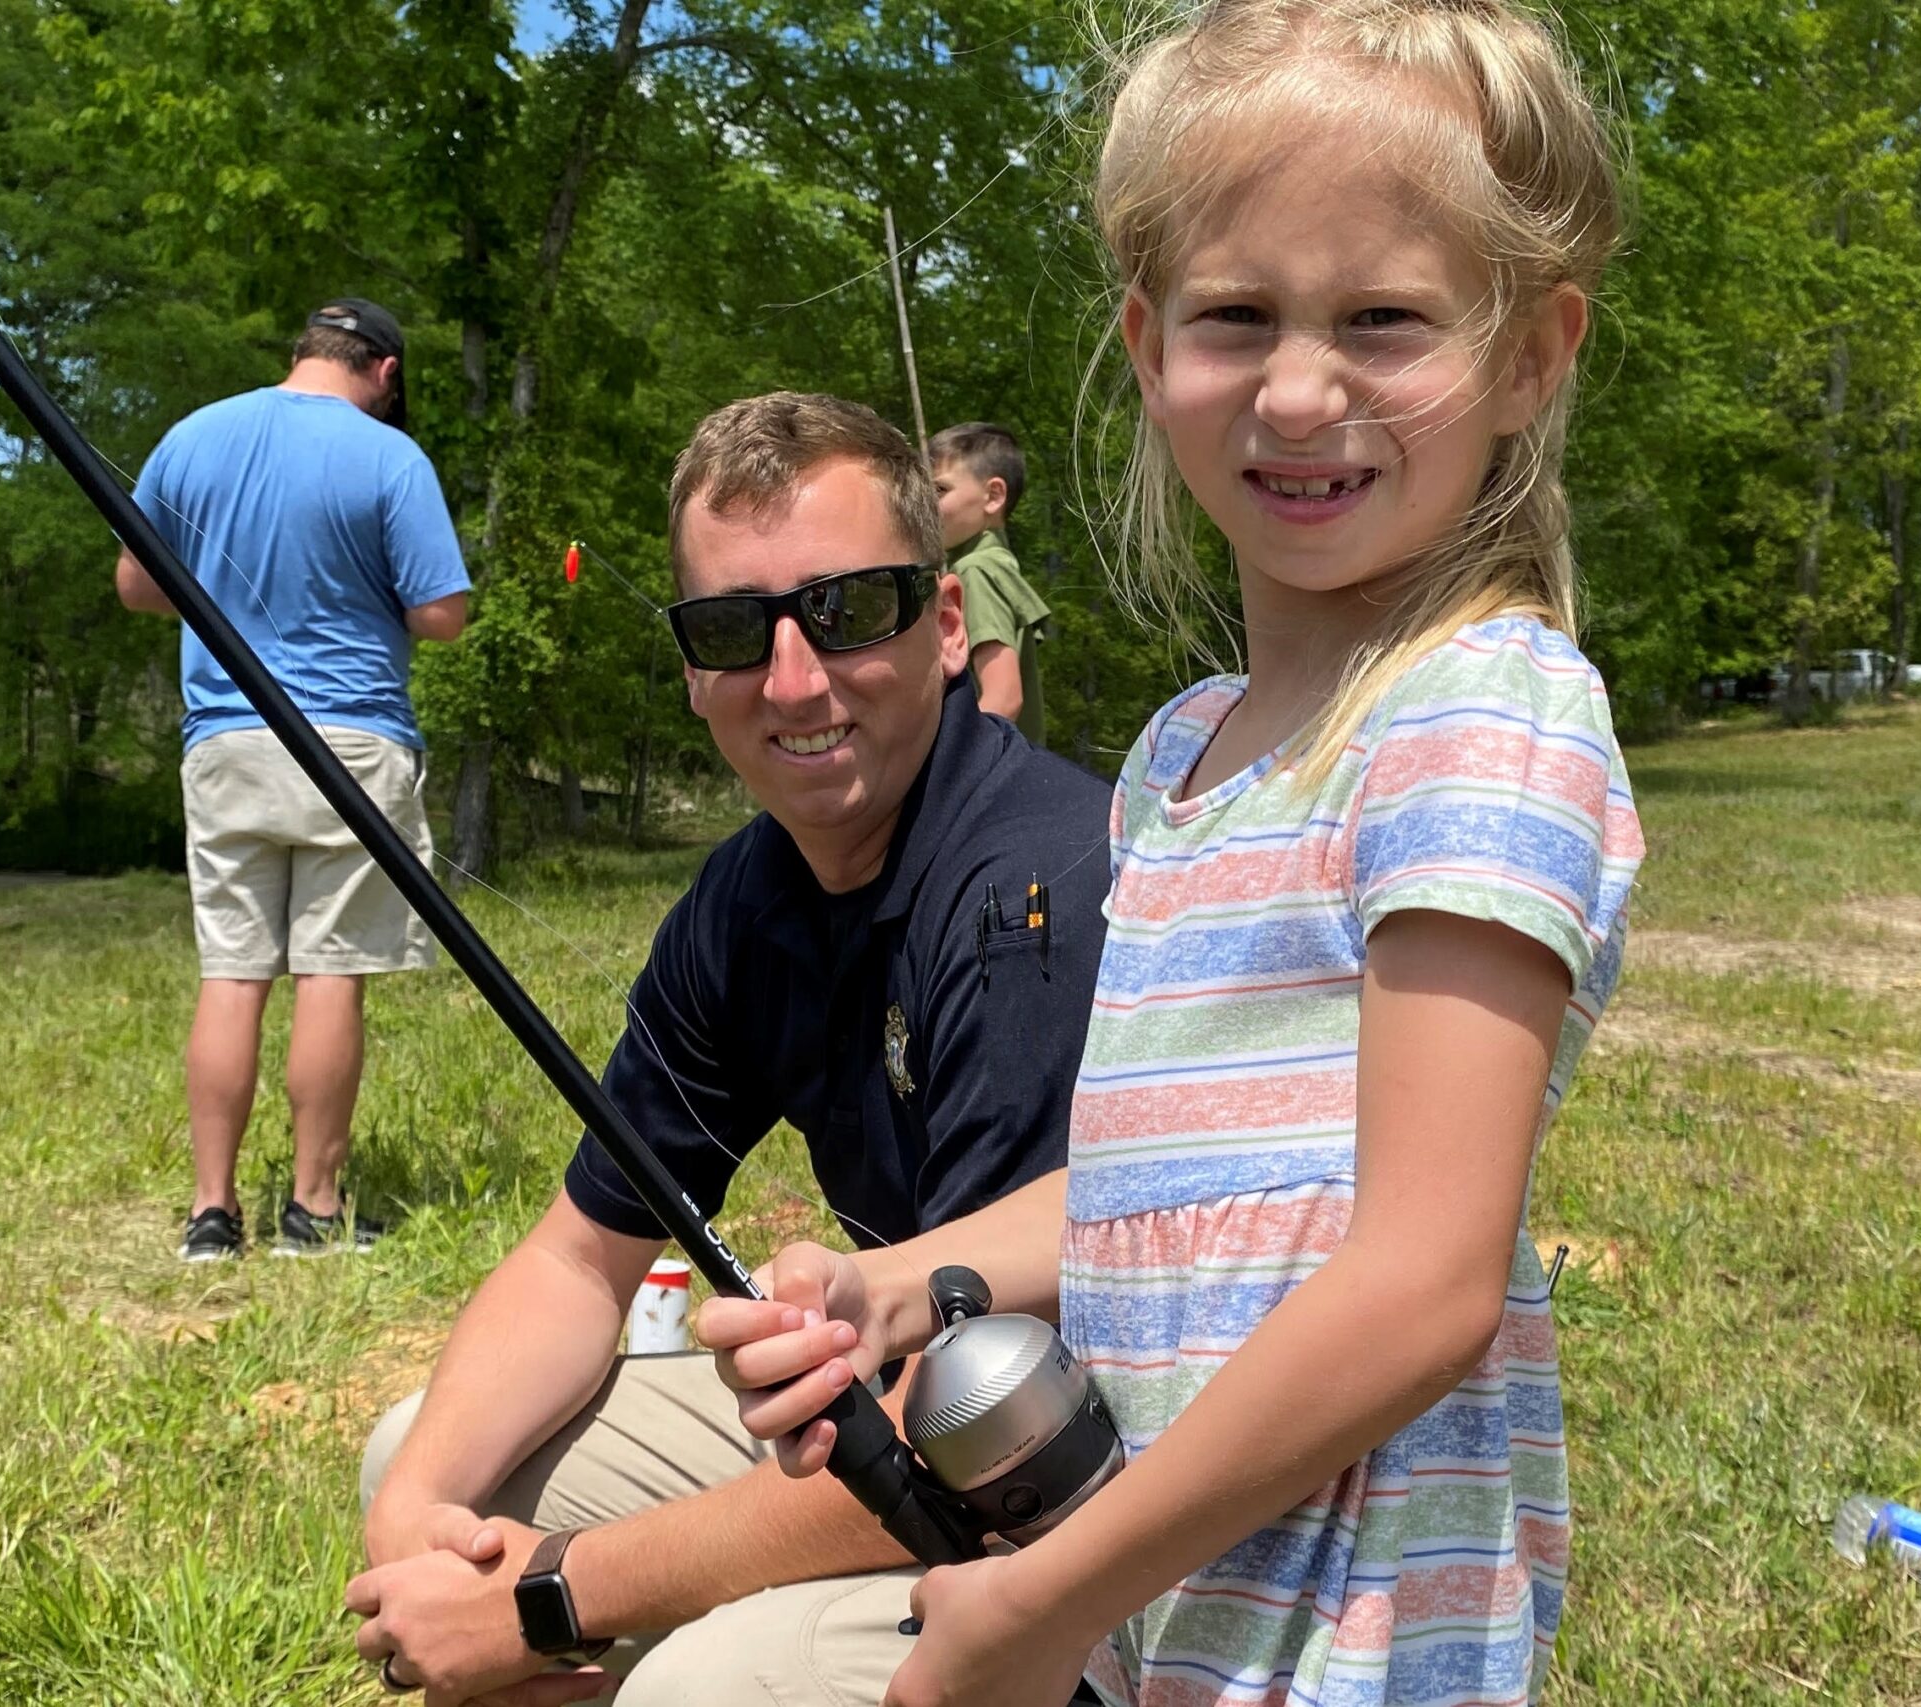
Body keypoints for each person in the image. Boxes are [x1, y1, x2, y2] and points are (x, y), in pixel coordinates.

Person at [700, 5, 1643, 1705]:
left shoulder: (1486, 715)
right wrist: (902, 1276)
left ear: (1530, 352)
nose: (1299, 387)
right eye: (1235, 317)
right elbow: (1175, 1163)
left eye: (1384, 319)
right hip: (1169, 1611)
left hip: (1345, 1641)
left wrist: (1049, 1593)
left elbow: (1425, 1280)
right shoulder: (1180, 753)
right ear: (1146, 343)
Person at [347, 393, 1112, 1705]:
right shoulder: (744, 904)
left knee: (699, 1684)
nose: (795, 679)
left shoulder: (1035, 886)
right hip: (912, 1434)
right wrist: (413, 1515)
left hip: (1088, 1499)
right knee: (424, 1462)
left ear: (942, 626)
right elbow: (577, 1261)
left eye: (850, 610)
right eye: (732, 631)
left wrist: (551, 1598)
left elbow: (988, 1420)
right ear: (693, 669)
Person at [116, 296, 472, 1262]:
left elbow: (137, 584)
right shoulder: (390, 456)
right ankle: (312, 1211)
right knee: (330, 972)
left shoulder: (194, 436)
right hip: (353, 744)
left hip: (224, 740)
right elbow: (442, 612)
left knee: (231, 971)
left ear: (303, 351)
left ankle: (210, 1214)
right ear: (385, 372)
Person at [930, 422, 1051, 744]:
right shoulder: (998, 564)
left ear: (993, 496)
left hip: (992, 779)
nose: (925, 505)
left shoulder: (976, 569)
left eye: (939, 490)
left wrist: (948, 766)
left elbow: (1004, 697)